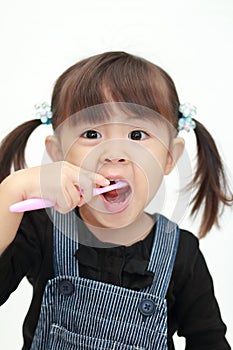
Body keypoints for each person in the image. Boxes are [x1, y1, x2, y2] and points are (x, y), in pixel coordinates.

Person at [0, 51, 232, 350]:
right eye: (91, 133)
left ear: (170, 157)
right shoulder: (42, 229)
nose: (113, 153)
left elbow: (209, 341)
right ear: (58, 152)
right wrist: (9, 192)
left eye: (137, 134)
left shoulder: (181, 254)